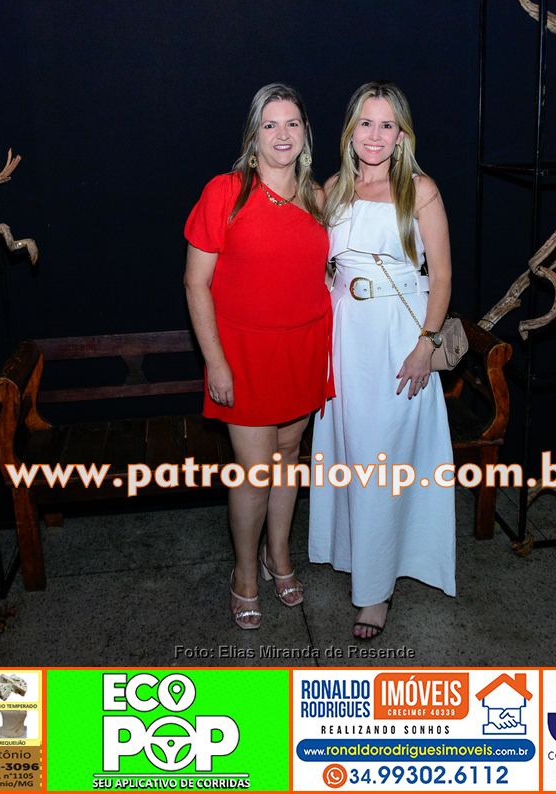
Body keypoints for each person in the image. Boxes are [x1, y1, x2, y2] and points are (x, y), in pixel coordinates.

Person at [308, 81, 455, 640]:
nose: (375, 135)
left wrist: (426, 345)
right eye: (365, 123)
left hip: (398, 339)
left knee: (382, 460)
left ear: (401, 135)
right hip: (345, 338)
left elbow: (442, 277)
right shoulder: (331, 190)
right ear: (350, 132)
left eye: (387, 125)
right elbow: (319, 268)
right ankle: (356, 555)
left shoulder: (420, 190)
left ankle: (375, 591)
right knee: (349, 453)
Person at [184, 83, 332, 629]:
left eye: (292, 123)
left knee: (288, 457)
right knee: (254, 470)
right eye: (270, 124)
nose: (282, 134)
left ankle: (279, 557)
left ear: (306, 134)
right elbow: (196, 283)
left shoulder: (318, 198)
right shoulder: (225, 193)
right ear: (254, 134)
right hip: (244, 355)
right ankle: (245, 573)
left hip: (303, 349)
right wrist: (216, 362)